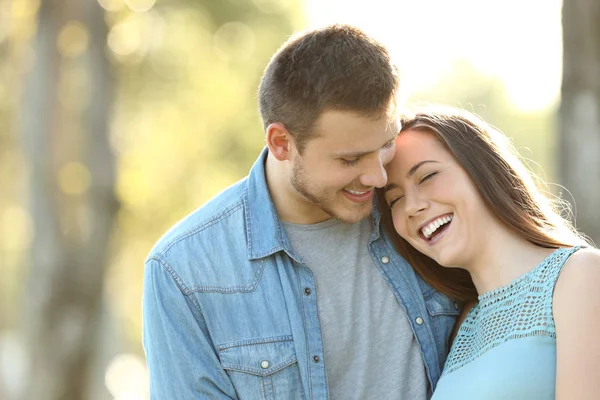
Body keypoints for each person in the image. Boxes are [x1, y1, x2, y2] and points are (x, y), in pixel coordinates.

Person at [142, 25, 462, 399]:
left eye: (386, 143)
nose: (377, 177)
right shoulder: (184, 271)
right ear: (282, 143)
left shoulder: (422, 215)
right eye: (350, 159)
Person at [381, 106, 600, 399]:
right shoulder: (463, 321)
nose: (412, 207)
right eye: (395, 198)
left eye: (427, 176)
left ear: (480, 168)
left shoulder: (580, 274)